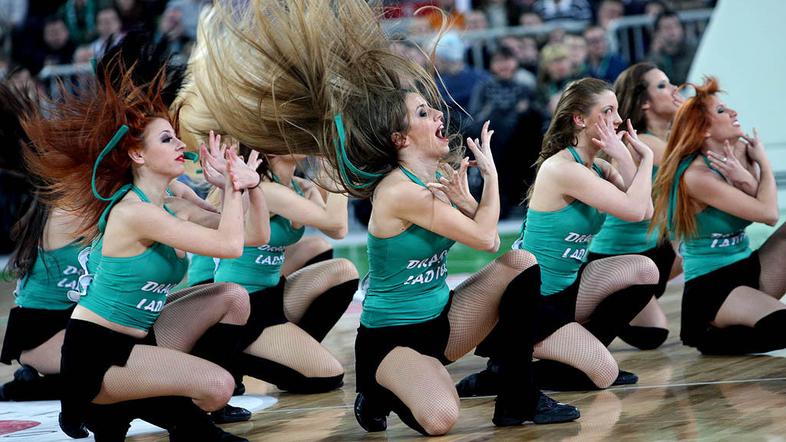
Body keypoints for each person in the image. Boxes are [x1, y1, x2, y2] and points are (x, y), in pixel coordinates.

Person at [183, 1, 578, 435]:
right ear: (400, 137)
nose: (438, 115)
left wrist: (471, 195)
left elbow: (482, 227)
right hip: (393, 339)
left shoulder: (435, 176)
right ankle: (376, 389)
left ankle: (516, 394)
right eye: (423, 114)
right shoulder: (399, 191)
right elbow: (485, 239)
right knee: (441, 420)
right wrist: (492, 177)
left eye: (432, 109)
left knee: (521, 264)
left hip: (444, 319)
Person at [22, 67, 268, 441]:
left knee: (233, 298)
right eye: (167, 139)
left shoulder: (174, 204)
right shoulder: (134, 213)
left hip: (143, 338)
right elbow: (229, 246)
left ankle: (178, 413)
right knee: (218, 386)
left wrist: (248, 188)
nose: (179, 145)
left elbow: (253, 236)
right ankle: (97, 404)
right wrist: (233, 189)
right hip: (97, 354)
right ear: (137, 153)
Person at [458, 77, 659, 393]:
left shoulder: (598, 168)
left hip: (567, 290)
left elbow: (644, 212)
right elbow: (635, 210)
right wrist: (643, 158)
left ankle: (578, 357)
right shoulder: (562, 168)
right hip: (535, 300)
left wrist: (623, 158)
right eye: (608, 111)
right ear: (580, 119)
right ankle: (507, 371)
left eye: (617, 110)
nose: (618, 120)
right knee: (604, 375)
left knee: (645, 270)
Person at [651, 77, 786, 355]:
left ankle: (746, 322)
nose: (734, 113)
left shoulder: (735, 153)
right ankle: (717, 334)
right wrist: (763, 163)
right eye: (722, 111)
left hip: (748, 269)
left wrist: (747, 178)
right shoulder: (696, 176)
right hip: (713, 289)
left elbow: (760, 203)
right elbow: (769, 213)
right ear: (703, 131)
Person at [210, 146, 358, 394]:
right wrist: (338, 167)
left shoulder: (293, 186)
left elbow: (333, 231)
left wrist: (315, 186)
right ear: (273, 149)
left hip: (271, 294)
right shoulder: (268, 189)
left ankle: (290, 353)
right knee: (327, 376)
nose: (303, 138)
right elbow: (339, 226)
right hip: (245, 307)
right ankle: (228, 356)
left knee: (342, 272)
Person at [587, 62, 684, 350]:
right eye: (663, 86)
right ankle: (593, 306)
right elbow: (696, 163)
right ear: (644, 103)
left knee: (698, 241)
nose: (675, 90)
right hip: (621, 254)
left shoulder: (666, 140)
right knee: (651, 334)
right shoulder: (644, 142)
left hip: (657, 248)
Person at [647, 10, 697, 85]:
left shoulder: (694, 52)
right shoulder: (654, 56)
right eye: (667, 27)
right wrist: (655, 54)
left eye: (676, 26)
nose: (672, 31)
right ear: (657, 33)